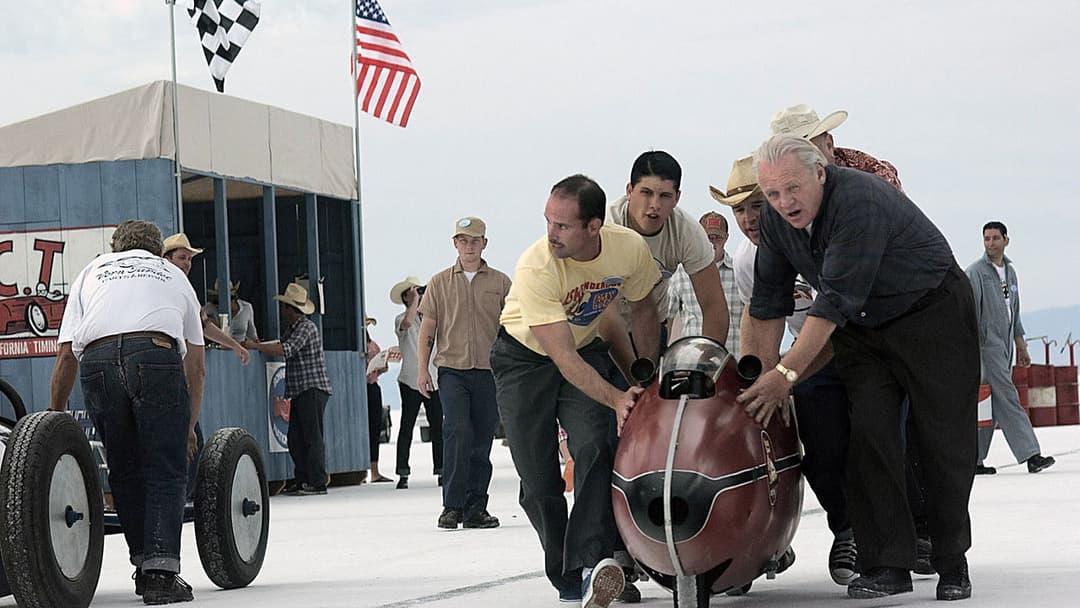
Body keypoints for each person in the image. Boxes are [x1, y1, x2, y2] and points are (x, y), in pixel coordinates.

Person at [739, 134, 979, 601]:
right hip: (865, 329)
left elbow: (830, 305)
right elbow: (766, 305)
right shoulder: (775, 222)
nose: (784, 203)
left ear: (820, 173)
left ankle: (952, 562)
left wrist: (784, 378)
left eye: (792, 188)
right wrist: (759, 382)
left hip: (932, 314)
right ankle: (887, 564)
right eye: (771, 194)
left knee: (942, 441)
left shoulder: (859, 200)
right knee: (869, 436)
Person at [770, 104, 935, 576]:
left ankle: (914, 532)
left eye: (813, 141)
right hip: (825, 338)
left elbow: (856, 270)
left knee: (890, 434)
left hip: (880, 325)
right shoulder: (776, 219)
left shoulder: (871, 180)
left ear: (825, 147)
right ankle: (849, 531)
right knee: (820, 432)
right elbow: (765, 304)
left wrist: (784, 368)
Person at [490, 174, 661, 607]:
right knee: (539, 476)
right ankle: (565, 573)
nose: (552, 234)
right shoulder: (536, 266)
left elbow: (641, 308)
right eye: (548, 221)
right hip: (524, 359)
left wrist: (646, 374)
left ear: (593, 226)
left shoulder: (628, 249)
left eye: (563, 225)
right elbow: (562, 360)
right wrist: (617, 396)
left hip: (587, 350)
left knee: (595, 447)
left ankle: (592, 563)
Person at [712, 154, 856, 586]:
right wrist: (758, 376)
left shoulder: (817, 235)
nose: (749, 219)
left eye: (758, 205)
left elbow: (834, 321)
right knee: (808, 436)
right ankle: (827, 530)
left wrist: (786, 375)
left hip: (858, 340)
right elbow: (758, 319)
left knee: (877, 437)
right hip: (805, 352)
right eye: (738, 209)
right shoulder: (743, 260)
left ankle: (910, 532)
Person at [49, 219, 203, 604]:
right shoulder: (172, 273)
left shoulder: (91, 271)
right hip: (155, 353)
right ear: (157, 251)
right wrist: (189, 426)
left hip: (97, 360)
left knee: (124, 467)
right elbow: (196, 363)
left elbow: (68, 354)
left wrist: (53, 423)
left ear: (115, 248)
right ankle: (161, 575)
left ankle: (142, 563)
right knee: (166, 467)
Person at [417, 216, 511, 530]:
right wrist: (422, 369)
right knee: (457, 432)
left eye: (475, 240)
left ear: (484, 243)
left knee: (482, 439)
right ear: (454, 243)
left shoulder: (500, 283)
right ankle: (451, 507)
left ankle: (475, 508)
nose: (469, 246)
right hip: (452, 370)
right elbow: (427, 328)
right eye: (463, 240)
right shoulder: (439, 283)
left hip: (488, 371)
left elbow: (512, 327)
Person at [602, 150, 727, 376]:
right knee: (604, 408)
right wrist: (634, 376)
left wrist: (707, 367)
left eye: (664, 196)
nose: (654, 205)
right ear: (629, 191)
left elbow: (714, 305)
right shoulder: (605, 228)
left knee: (654, 407)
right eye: (646, 193)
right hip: (602, 330)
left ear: (677, 198)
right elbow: (605, 313)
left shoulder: (687, 232)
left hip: (650, 328)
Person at [966, 221, 1055, 475]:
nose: (990, 243)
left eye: (995, 238)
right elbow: (970, 312)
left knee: (988, 404)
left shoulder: (1010, 273)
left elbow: (1013, 312)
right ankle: (1031, 455)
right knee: (1008, 397)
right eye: (986, 239)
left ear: (1006, 240)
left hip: (1006, 345)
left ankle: (974, 460)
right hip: (987, 345)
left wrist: (1021, 344)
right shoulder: (976, 273)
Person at [248, 283, 333, 495]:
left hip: (311, 388)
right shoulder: (295, 328)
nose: (282, 311)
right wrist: (261, 344)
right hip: (301, 390)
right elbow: (280, 343)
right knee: (296, 437)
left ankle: (317, 481)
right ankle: (303, 478)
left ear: (291, 309)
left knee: (312, 437)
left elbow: (286, 349)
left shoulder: (305, 327)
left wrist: (257, 346)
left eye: (285, 307)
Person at [162, 233, 250, 364]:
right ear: (167, 260)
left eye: (189, 259)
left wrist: (235, 345)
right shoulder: (168, 286)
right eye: (182, 258)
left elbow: (204, 324)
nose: (187, 263)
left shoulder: (186, 289)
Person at [390, 276, 444, 489]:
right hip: (409, 380)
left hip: (434, 379)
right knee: (407, 426)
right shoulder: (401, 319)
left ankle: (442, 469)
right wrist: (413, 301)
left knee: (438, 426)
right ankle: (403, 472)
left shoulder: (433, 319)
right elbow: (407, 323)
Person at [667, 211, 743, 354]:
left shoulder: (739, 272)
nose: (712, 242)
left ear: (726, 238)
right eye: (707, 237)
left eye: (717, 237)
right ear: (699, 238)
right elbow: (668, 317)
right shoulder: (681, 274)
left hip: (732, 361)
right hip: (692, 360)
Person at [365, 319, 393, 483]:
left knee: (374, 428)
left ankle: (374, 470)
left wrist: (380, 364)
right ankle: (364, 469)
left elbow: (384, 368)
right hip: (363, 388)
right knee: (365, 429)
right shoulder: (362, 346)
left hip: (372, 386)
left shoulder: (373, 345)